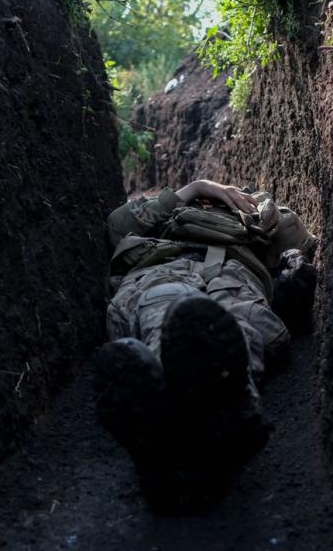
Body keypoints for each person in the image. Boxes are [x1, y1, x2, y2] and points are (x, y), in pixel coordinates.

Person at [94, 179, 317, 489]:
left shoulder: (254, 208)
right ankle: (171, 424)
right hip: (163, 269)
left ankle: (214, 418)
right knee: (168, 311)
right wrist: (196, 188)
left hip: (233, 274)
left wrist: (261, 208)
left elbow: (297, 242)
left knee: (235, 324)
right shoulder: (165, 208)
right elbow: (118, 226)